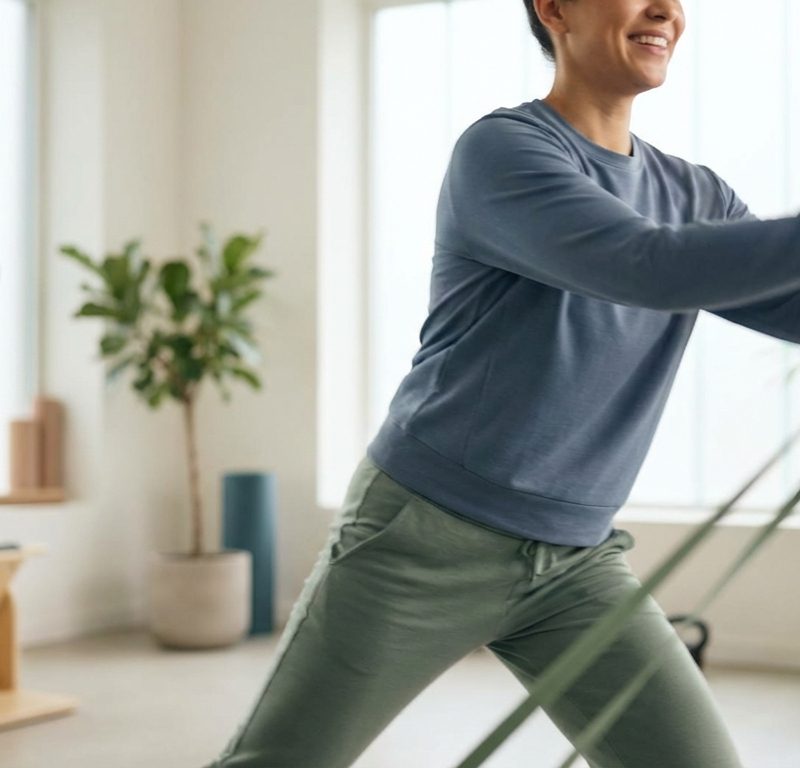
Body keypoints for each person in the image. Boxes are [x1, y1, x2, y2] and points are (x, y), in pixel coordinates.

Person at [204, 1, 799, 765]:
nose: (668, 9)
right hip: (424, 537)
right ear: (553, 8)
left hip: (577, 562)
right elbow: (643, 265)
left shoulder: (693, 192)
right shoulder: (504, 151)